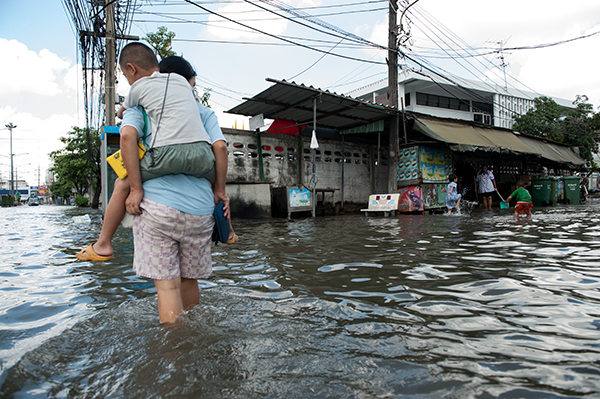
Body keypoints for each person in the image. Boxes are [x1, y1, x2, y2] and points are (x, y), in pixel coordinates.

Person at [76, 54, 237, 263]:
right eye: (192, 84)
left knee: (122, 183)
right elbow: (220, 147)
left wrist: (136, 188)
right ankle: (229, 231)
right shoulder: (202, 110)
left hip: (160, 169)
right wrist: (220, 189)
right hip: (200, 182)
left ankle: (103, 243)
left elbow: (126, 132)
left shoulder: (142, 103)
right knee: (218, 190)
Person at [117, 42, 215, 183]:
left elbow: (121, 114)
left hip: (166, 153)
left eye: (126, 76)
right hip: (202, 153)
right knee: (212, 175)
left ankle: (133, 191)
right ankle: (219, 195)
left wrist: (135, 187)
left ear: (131, 69)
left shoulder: (138, 87)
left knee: (125, 180)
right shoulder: (180, 80)